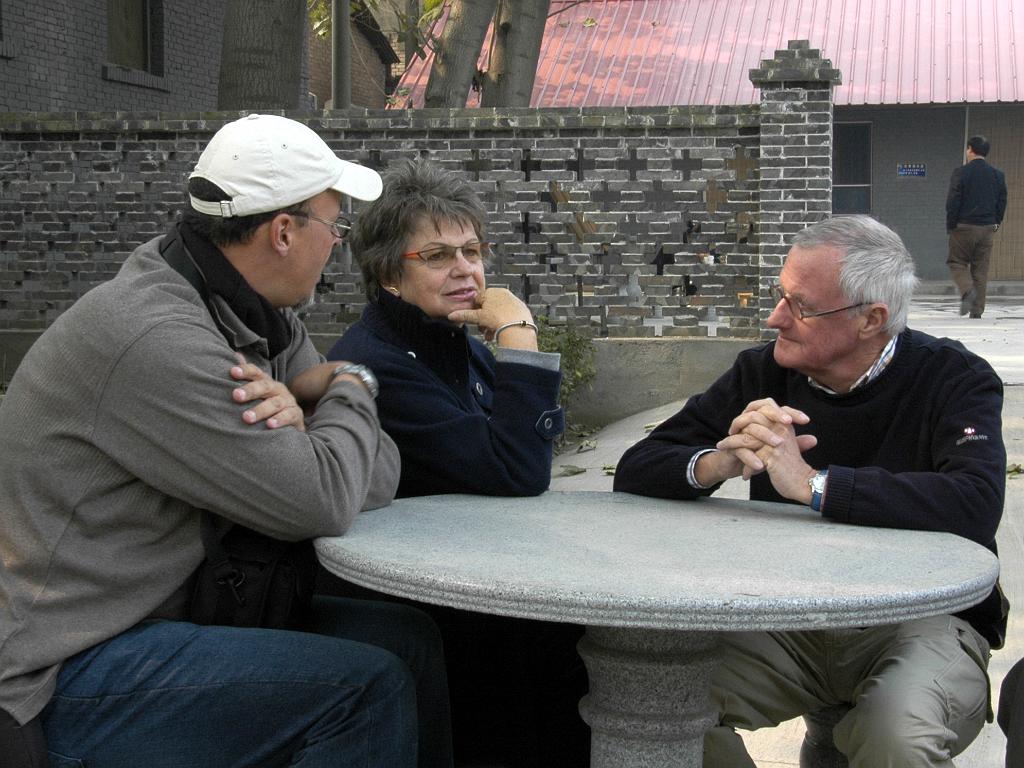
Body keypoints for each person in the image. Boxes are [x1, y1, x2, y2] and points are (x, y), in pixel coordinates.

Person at [0, 114, 453, 768]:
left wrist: (310, 420)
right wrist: (352, 382)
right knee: (361, 690)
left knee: (408, 640)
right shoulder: (158, 338)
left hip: (167, 612)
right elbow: (323, 500)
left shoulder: (256, 317)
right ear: (284, 231)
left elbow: (373, 477)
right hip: (65, 661)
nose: (339, 246)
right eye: (338, 227)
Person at [614, 215, 1008, 767]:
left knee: (897, 732)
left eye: (800, 306)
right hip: (787, 619)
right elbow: (638, 466)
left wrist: (815, 485)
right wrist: (723, 460)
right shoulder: (762, 374)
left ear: (872, 319)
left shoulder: (955, 379)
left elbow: (974, 502)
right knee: (650, 708)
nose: (776, 317)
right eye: (781, 296)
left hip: (924, 619)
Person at [324, 157, 589, 767]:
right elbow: (519, 471)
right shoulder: (381, 365)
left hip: (484, 574)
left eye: (473, 250)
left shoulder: (452, 345)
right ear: (390, 275)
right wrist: (519, 334)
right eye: (438, 256)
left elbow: (535, 438)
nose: (466, 269)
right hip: (430, 607)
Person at [946, 134, 1007, 318]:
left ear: (971, 149)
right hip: (987, 227)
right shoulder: (997, 174)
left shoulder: (961, 172)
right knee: (980, 268)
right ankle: (977, 311)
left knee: (956, 262)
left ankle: (967, 291)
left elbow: (953, 200)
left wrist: (951, 225)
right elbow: (1002, 200)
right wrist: (996, 222)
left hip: (963, 225)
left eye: (967, 149)